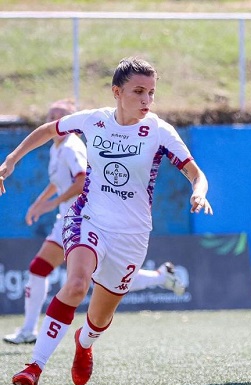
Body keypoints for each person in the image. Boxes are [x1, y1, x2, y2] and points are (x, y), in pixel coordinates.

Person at [0, 57, 213, 385]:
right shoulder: (94, 120)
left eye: (151, 92)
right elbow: (48, 130)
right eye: (138, 91)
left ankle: (84, 342)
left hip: (132, 235)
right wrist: (11, 160)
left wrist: (199, 192)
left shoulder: (159, 131)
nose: (146, 99)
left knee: (98, 319)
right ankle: (34, 365)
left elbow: (195, 174)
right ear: (117, 92)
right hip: (88, 217)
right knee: (76, 284)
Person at [2, 100, 185, 346]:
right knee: (82, 274)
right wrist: (40, 201)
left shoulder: (71, 147)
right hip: (70, 219)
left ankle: (29, 330)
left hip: (85, 218)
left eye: (61, 114)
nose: (54, 118)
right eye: (51, 114)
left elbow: (81, 181)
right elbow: (59, 181)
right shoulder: (57, 148)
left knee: (53, 270)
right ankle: (161, 277)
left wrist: (51, 204)